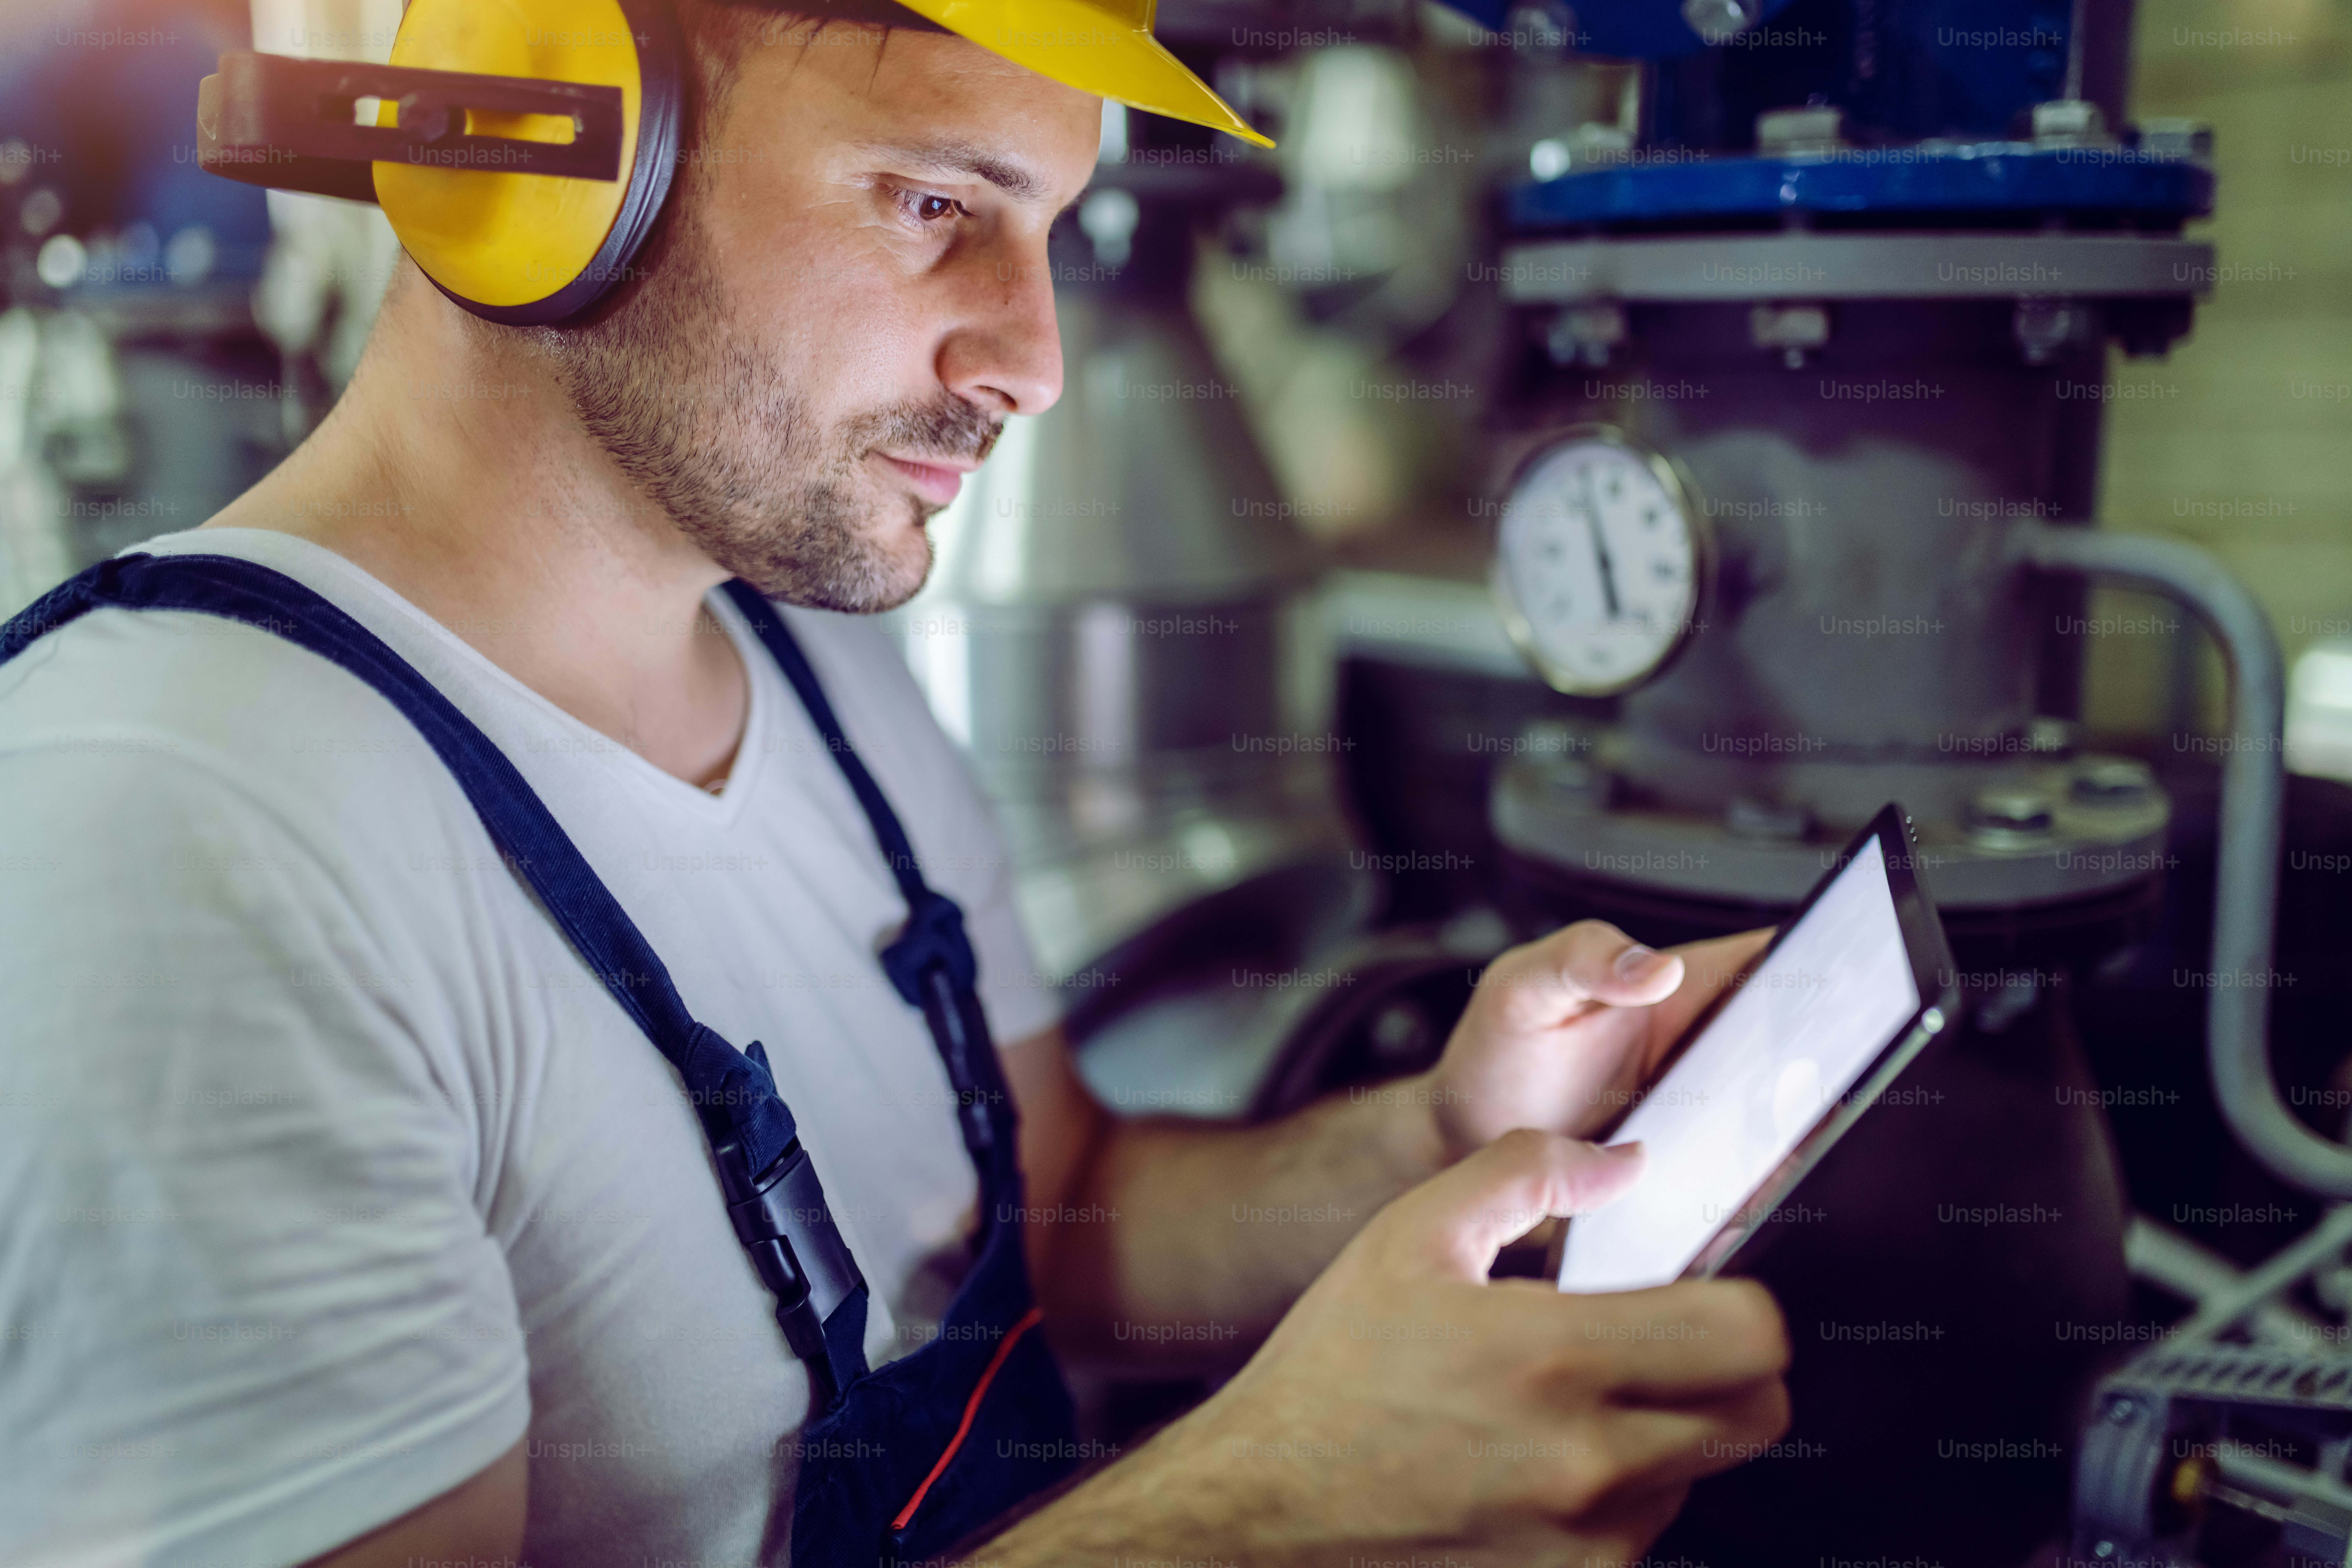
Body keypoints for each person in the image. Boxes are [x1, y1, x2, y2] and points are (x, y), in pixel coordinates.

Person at [0, 2, 1790, 1563]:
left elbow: (1049, 1209)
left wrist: (1444, 1145)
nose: (1034, 359)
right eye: (939, 206)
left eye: (1050, 233)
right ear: (539, 148)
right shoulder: (178, 826)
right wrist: (1257, 1509)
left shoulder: (814, 658)